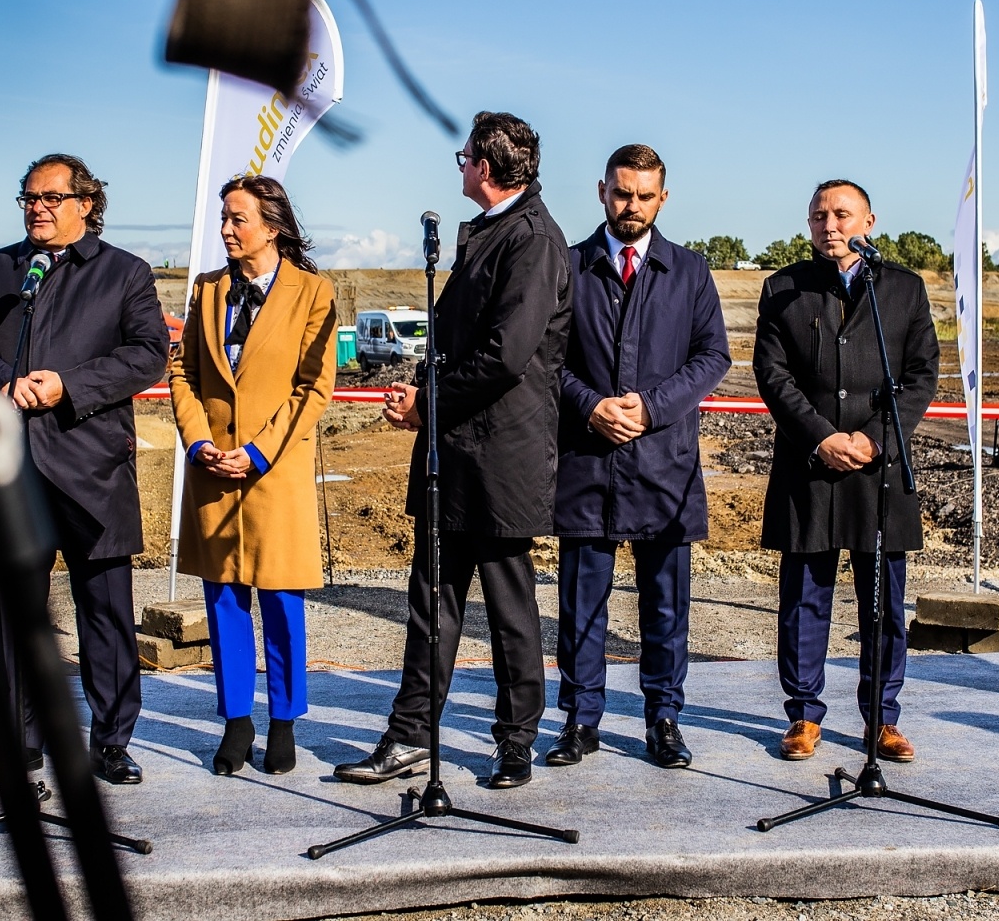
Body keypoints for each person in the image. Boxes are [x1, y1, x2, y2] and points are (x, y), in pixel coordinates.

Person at [334, 112, 571, 790]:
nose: (458, 165)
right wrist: (421, 392)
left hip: (503, 460)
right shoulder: (487, 233)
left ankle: (516, 739)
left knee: (507, 608)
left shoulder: (532, 240)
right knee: (431, 604)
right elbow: (462, 345)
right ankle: (409, 735)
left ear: (486, 169)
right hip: (454, 457)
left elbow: (505, 357)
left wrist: (426, 403)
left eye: (463, 156)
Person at [0, 153, 168, 785]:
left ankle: (111, 741)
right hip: (11, 467)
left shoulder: (125, 273)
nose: (37, 207)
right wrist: (4, 382)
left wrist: (66, 386)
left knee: (106, 611)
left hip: (91, 467)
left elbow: (149, 355)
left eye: (50, 197)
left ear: (86, 203)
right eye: (29, 197)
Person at [547, 144, 730, 770]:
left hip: (663, 467)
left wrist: (650, 408)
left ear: (663, 198)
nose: (632, 206)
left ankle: (664, 719)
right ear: (602, 191)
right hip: (588, 463)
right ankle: (579, 719)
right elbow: (546, 360)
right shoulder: (569, 268)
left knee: (665, 607)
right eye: (622, 193)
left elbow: (712, 358)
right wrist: (589, 405)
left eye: (644, 196)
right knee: (580, 605)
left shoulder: (690, 272)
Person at [753, 179, 938, 763]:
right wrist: (822, 437)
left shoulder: (904, 290)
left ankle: (882, 718)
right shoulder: (783, 288)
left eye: (840, 214)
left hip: (877, 474)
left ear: (869, 221)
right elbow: (772, 375)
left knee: (881, 603)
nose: (828, 225)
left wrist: (873, 438)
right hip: (810, 466)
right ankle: (804, 715)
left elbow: (919, 375)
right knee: (804, 600)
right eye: (818, 216)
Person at [169, 175, 336, 776]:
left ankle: (284, 722)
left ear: (273, 226)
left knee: (281, 601)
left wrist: (259, 452)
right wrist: (199, 440)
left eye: (237, 219)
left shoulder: (314, 293)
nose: (225, 230)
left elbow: (314, 387)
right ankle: (236, 721)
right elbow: (183, 373)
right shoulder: (207, 291)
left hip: (275, 470)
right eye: (223, 218)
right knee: (224, 602)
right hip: (213, 468)